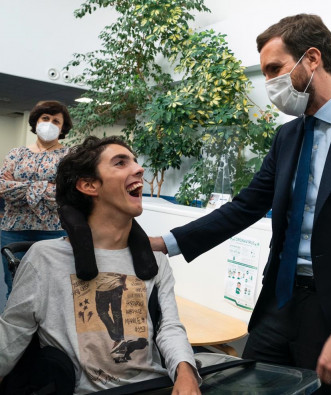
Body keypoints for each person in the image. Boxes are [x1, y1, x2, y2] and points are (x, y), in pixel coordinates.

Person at [151, 14, 331, 394]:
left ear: (312, 59)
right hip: (280, 302)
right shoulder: (287, 136)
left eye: (275, 69)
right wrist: (164, 243)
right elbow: (246, 206)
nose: (270, 84)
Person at [0, 136, 201, 394]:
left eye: (136, 162)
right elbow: (14, 331)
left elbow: (169, 327)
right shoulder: (45, 258)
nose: (139, 169)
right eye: (120, 163)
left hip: (152, 386)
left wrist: (186, 373)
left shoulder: (155, 260)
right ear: (89, 185)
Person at [0, 100, 71, 300]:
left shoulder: (70, 156)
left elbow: (67, 193)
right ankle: (15, 330)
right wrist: (45, 188)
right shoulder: (17, 153)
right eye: (45, 118)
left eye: (56, 121)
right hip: (14, 231)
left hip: (54, 231)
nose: (49, 123)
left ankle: (45, 331)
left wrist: (20, 187)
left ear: (63, 127)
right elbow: (2, 188)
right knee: (15, 285)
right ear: (36, 121)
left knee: (51, 287)